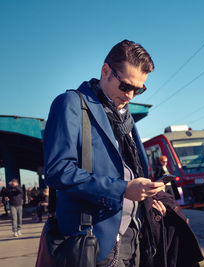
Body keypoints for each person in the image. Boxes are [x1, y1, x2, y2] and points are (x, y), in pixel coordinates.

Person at [43, 40, 167, 266]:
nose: (130, 95)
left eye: (139, 89)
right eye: (126, 86)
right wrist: (123, 190)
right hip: (93, 242)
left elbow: (130, 170)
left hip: (133, 238)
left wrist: (149, 198)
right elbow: (58, 171)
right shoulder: (70, 104)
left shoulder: (125, 117)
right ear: (105, 71)